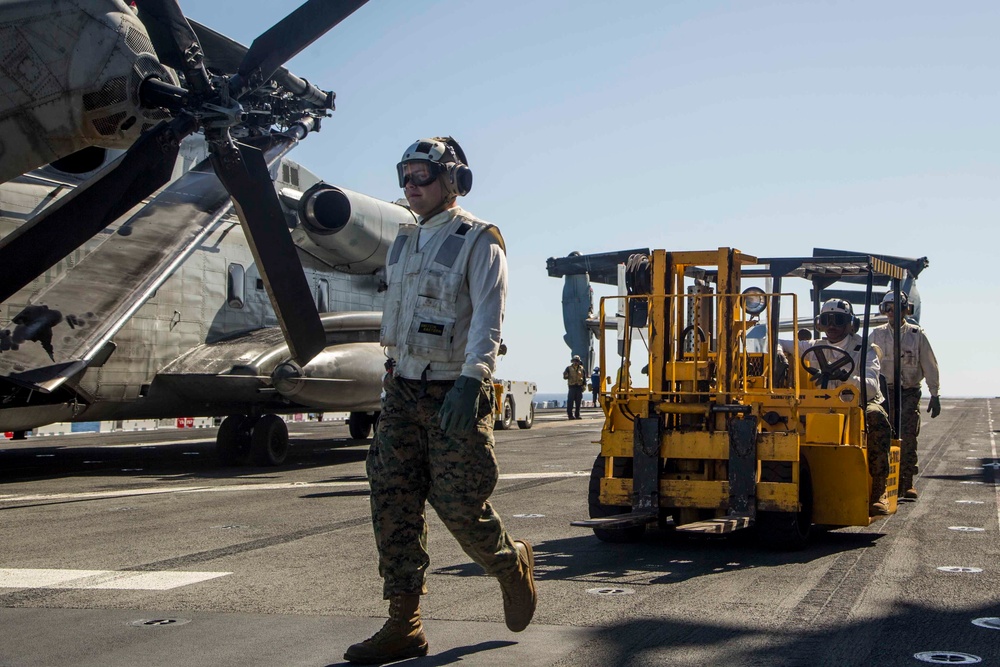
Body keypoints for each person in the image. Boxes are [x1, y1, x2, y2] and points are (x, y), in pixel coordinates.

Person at [346, 137, 536, 664]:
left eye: (422, 174)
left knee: (458, 504)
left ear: (452, 181)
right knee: (392, 499)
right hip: (402, 389)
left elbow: (488, 319)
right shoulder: (404, 240)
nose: (410, 184)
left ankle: (508, 563)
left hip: (453, 388)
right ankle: (403, 622)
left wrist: (474, 380)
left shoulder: (479, 240)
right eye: (405, 174)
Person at [782, 298, 892, 516]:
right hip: (821, 403)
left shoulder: (865, 349)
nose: (832, 326)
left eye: (838, 320)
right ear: (819, 323)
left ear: (850, 324)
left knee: (876, 418)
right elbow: (776, 341)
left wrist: (848, 381)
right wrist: (779, 355)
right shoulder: (812, 347)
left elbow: (871, 385)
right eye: (827, 320)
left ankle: (879, 490)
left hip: (860, 403)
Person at [870, 292, 941, 500]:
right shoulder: (876, 335)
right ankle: (882, 483)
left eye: (896, 308)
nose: (891, 313)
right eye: (888, 308)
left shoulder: (916, 334)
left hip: (909, 392)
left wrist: (934, 394)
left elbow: (930, 364)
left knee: (908, 436)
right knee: (883, 435)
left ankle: (907, 481)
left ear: (905, 309)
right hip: (883, 393)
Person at [563, 355, 586, 419]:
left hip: (579, 387)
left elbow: (584, 378)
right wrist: (566, 375)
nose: (576, 362)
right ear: (572, 361)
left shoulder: (582, 369)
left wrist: (584, 385)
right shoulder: (568, 368)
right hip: (572, 387)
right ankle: (570, 415)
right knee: (570, 402)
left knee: (578, 402)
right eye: (574, 361)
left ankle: (577, 415)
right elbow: (565, 377)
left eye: (577, 361)